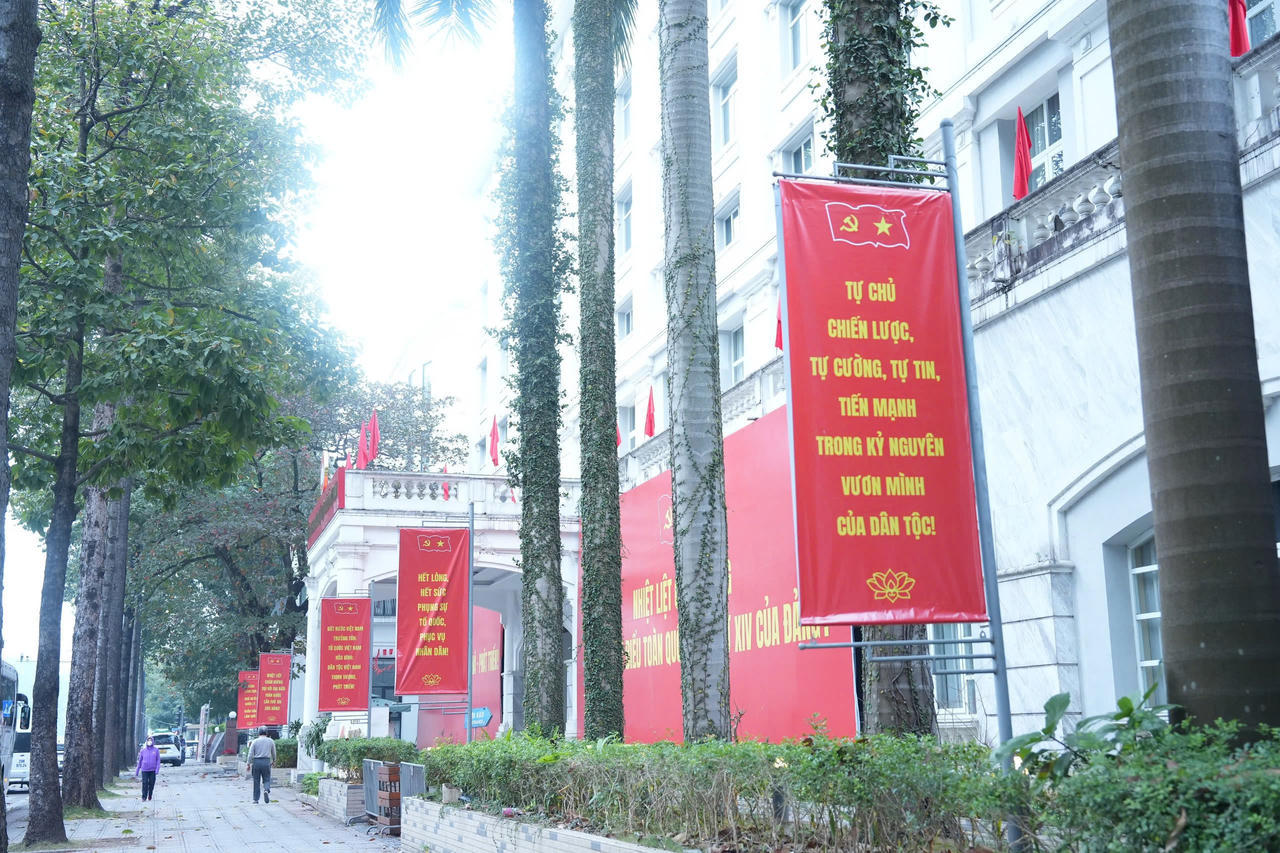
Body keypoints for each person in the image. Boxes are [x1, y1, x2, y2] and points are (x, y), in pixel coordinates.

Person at [247, 727, 276, 803]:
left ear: (258, 733)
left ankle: (256, 799)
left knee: (256, 781)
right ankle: (266, 790)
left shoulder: (255, 741)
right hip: (266, 762)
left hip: (256, 762)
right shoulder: (270, 741)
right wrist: (274, 760)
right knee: (267, 779)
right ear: (266, 733)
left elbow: (250, 754)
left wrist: (248, 763)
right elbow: (274, 752)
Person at [135, 735, 161, 801]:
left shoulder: (156, 750)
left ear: (153, 741)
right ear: (146, 741)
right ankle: (144, 797)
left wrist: (157, 770)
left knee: (151, 783)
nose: (149, 741)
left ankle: (150, 795)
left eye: (150, 740)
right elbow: (140, 761)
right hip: (144, 770)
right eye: (148, 740)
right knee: (145, 783)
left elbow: (158, 760)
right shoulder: (143, 751)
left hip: (153, 770)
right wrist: (137, 770)